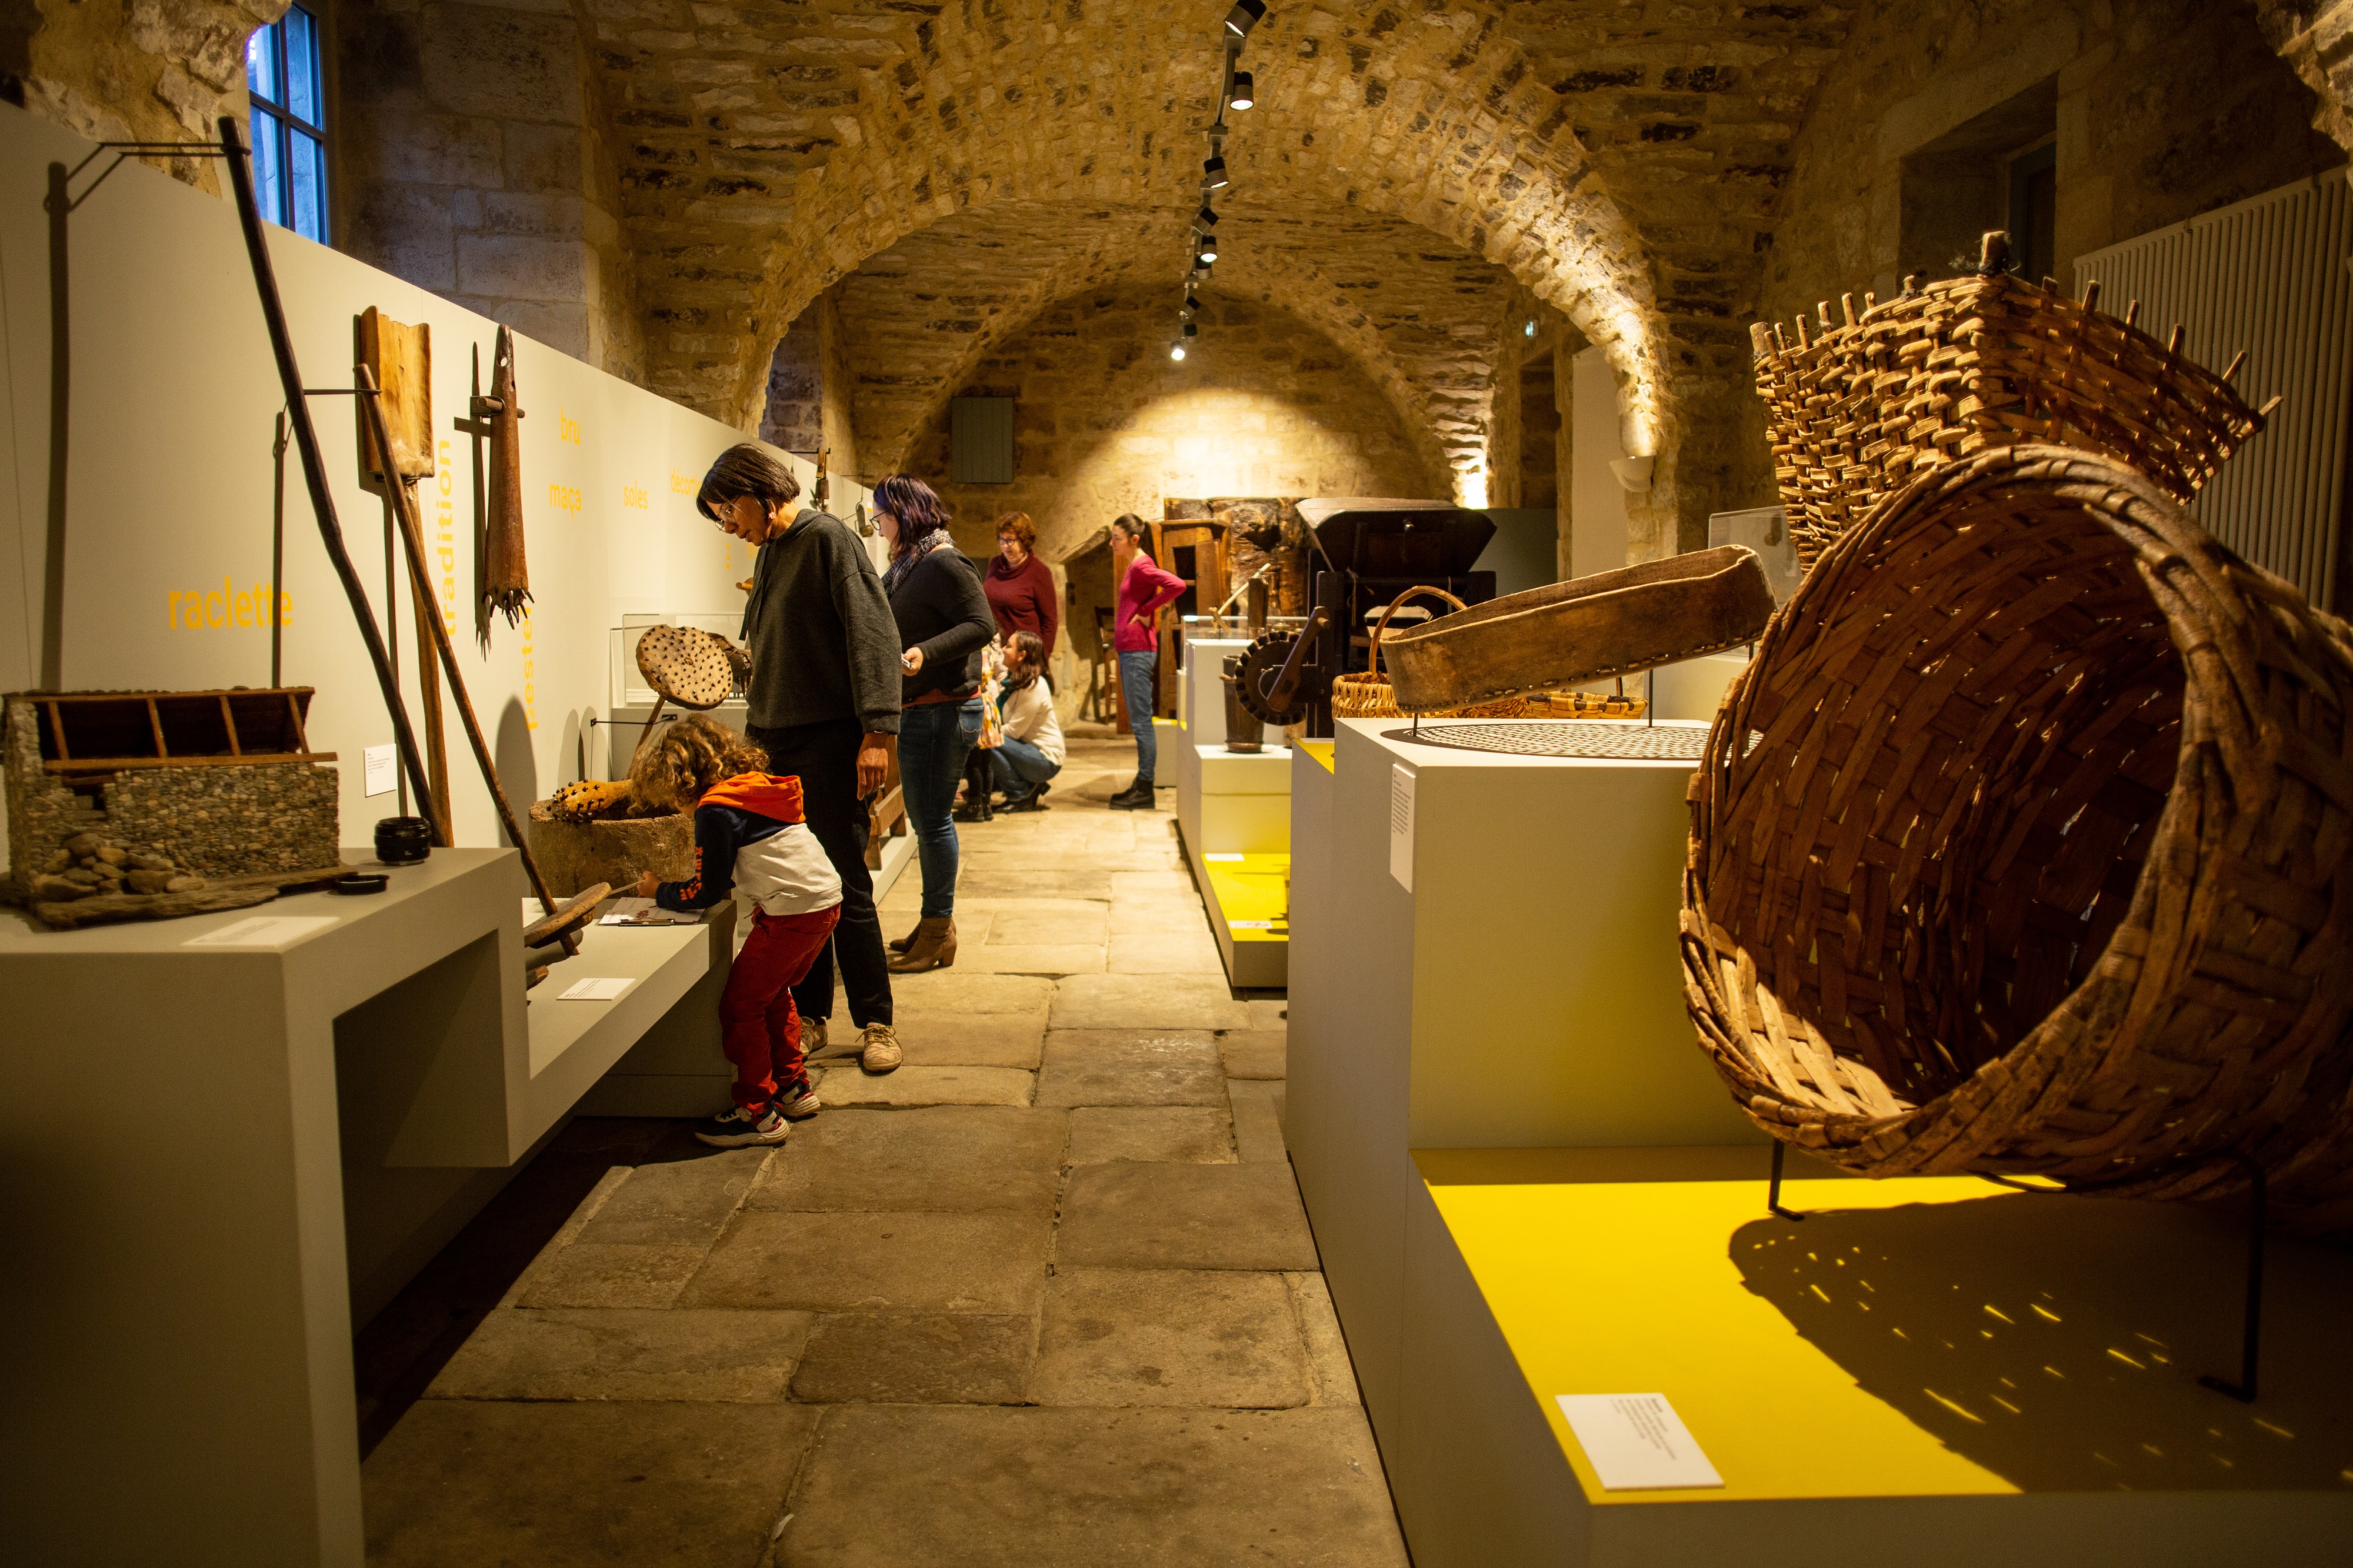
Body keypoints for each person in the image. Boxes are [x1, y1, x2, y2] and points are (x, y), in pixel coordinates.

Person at [698, 443, 903, 1074]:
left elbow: (875, 635)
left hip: (830, 740)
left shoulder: (827, 540)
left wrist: (878, 733)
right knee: (796, 888)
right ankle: (811, 1014)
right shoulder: (773, 555)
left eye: (727, 509)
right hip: (777, 742)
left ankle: (876, 1021)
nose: (728, 525)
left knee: (843, 879)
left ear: (757, 491)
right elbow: (766, 646)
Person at [629, 716, 842, 1148]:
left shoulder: (715, 808)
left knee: (740, 1006)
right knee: (774, 993)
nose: (676, 808)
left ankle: (757, 1113)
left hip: (791, 915)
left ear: (681, 780)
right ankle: (793, 1088)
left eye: (673, 797)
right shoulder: (754, 789)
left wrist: (657, 891)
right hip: (824, 901)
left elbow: (706, 890)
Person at [875, 474, 995, 974]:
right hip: (924, 708)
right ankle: (932, 925)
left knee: (933, 824)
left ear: (905, 514)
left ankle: (938, 932)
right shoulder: (910, 565)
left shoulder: (943, 562)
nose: (878, 526)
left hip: (942, 708)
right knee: (929, 824)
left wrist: (926, 651)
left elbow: (981, 624)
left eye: (881, 516)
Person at [1108, 513, 1186, 809]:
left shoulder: (1142, 565)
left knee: (1141, 723)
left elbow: (1177, 585)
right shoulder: (1134, 565)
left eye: (1117, 538)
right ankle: (1142, 785)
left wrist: (1147, 610)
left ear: (1134, 540)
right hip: (1131, 650)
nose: (1112, 543)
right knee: (1140, 721)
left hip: (1139, 651)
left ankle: (1144, 788)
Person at [990, 629, 1064, 812]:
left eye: (1009, 646)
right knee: (988, 739)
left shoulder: (1034, 686)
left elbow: (1014, 731)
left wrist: (988, 731)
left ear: (1021, 655)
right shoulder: (1015, 682)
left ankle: (1019, 795)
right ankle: (1026, 787)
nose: (1003, 650)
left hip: (1045, 759)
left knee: (988, 741)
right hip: (1029, 750)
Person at [984, 511, 1059, 655]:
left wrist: (1042, 660)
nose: (1005, 546)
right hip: (995, 651)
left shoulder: (1039, 572)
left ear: (1024, 540)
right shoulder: (995, 564)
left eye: (1011, 540)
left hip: (1024, 654)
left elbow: (1050, 622)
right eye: (1002, 540)